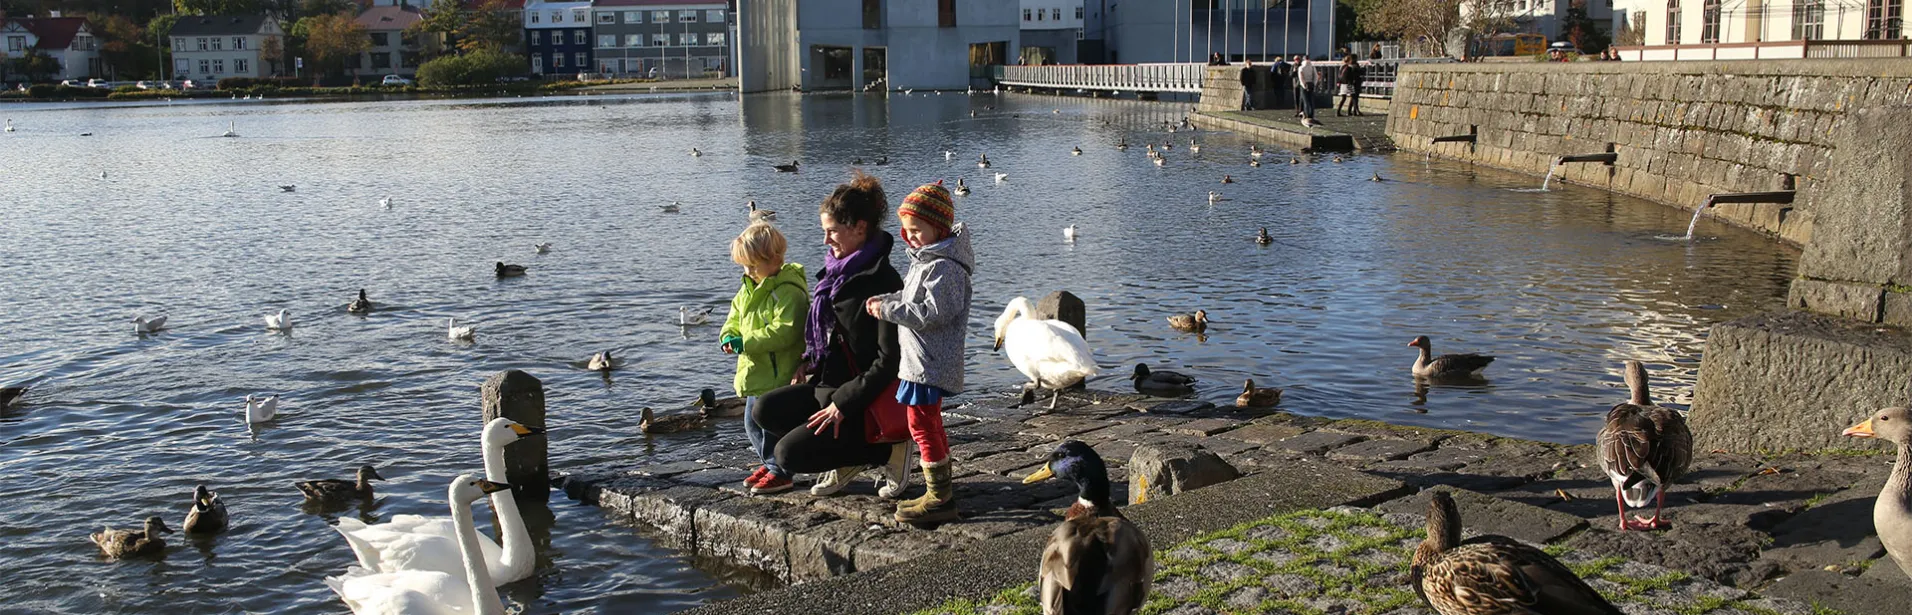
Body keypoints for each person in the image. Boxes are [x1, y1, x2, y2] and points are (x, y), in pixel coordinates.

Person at [748, 171, 910, 497]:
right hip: (827, 385)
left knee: (788, 455)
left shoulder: (883, 282)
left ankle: (885, 451)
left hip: (864, 399)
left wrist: (842, 405)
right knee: (763, 410)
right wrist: (808, 363)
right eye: (824, 231)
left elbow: (889, 361)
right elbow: (831, 338)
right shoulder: (834, 276)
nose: (825, 241)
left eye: (832, 231)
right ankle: (846, 457)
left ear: (860, 228)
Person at [866, 180, 973, 525]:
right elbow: (913, 303)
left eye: (916, 229)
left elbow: (931, 314)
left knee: (922, 423)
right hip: (919, 361)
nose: (909, 236)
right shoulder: (926, 261)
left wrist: (888, 311)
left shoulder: (946, 268)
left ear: (938, 227)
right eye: (906, 230)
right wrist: (889, 301)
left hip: (930, 361)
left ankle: (939, 497)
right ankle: (937, 491)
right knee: (924, 422)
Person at [721, 222, 810, 493]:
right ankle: (769, 461)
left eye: (752, 266)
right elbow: (734, 317)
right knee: (751, 423)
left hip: (778, 372)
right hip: (755, 370)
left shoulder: (789, 292)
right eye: (744, 267)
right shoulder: (748, 289)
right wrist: (728, 336)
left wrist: (745, 342)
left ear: (774, 259)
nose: (747, 272)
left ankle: (781, 469)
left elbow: (784, 332)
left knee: (770, 423)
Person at [1296, 55, 1318, 120]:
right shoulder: (1312, 67)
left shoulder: (1301, 67)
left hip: (1305, 85)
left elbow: (1301, 77)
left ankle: (1307, 114)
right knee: (1311, 100)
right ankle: (1312, 114)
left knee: (1306, 101)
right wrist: (1314, 83)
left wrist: (1304, 85)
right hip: (1311, 84)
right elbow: (1316, 76)